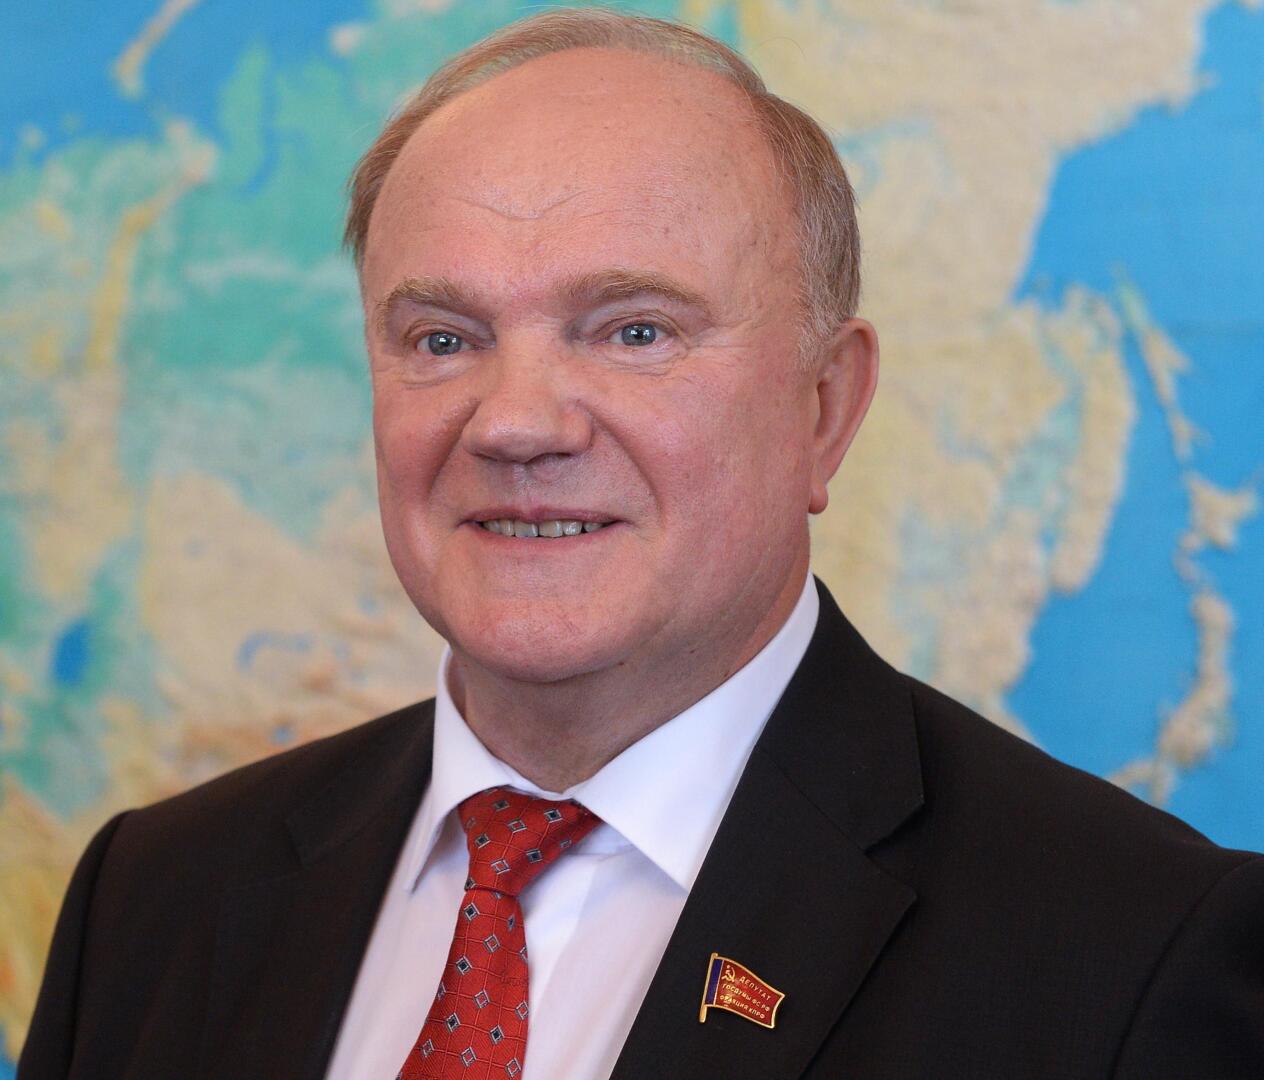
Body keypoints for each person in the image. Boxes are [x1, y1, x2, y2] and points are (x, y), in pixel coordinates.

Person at [18, 9, 1264, 1079]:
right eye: (442, 339)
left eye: (634, 331)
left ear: (823, 408)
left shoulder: (1132, 956)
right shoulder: (155, 897)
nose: (515, 423)